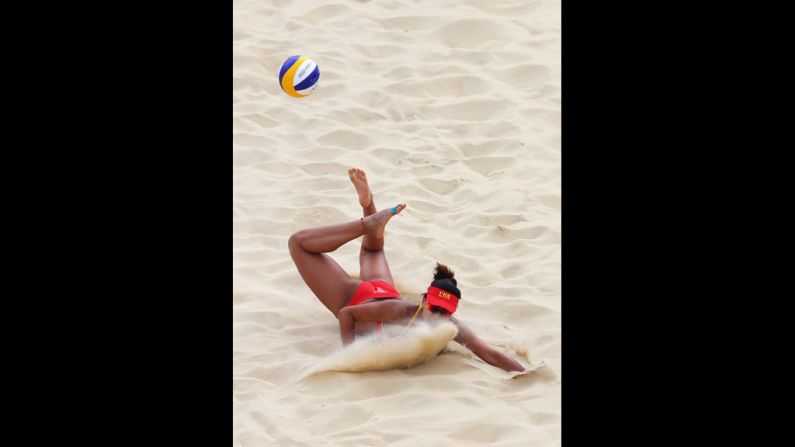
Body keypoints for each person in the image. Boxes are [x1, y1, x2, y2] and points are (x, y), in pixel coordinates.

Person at [288, 168, 525, 372]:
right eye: (434, 309)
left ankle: (367, 203)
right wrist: (350, 354)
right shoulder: (399, 309)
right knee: (298, 243)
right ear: (424, 302)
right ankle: (366, 224)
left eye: (444, 312)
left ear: (452, 314)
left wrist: (525, 373)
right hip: (356, 297)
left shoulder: (452, 328)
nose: (438, 316)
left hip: (384, 290)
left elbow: (490, 354)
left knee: (373, 252)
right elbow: (346, 314)